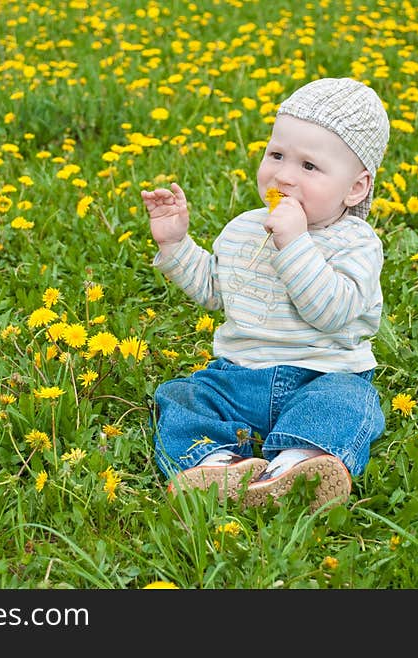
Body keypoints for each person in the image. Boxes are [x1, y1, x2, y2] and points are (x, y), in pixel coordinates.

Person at [140, 77, 389, 511]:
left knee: (349, 403)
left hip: (323, 374)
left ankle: (299, 465)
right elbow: (217, 290)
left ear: (355, 188)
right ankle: (217, 465)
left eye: (309, 167)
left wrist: (294, 244)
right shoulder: (243, 228)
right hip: (239, 377)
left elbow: (333, 312)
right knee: (181, 396)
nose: (284, 176)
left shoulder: (357, 243)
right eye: (276, 155)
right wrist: (176, 244)